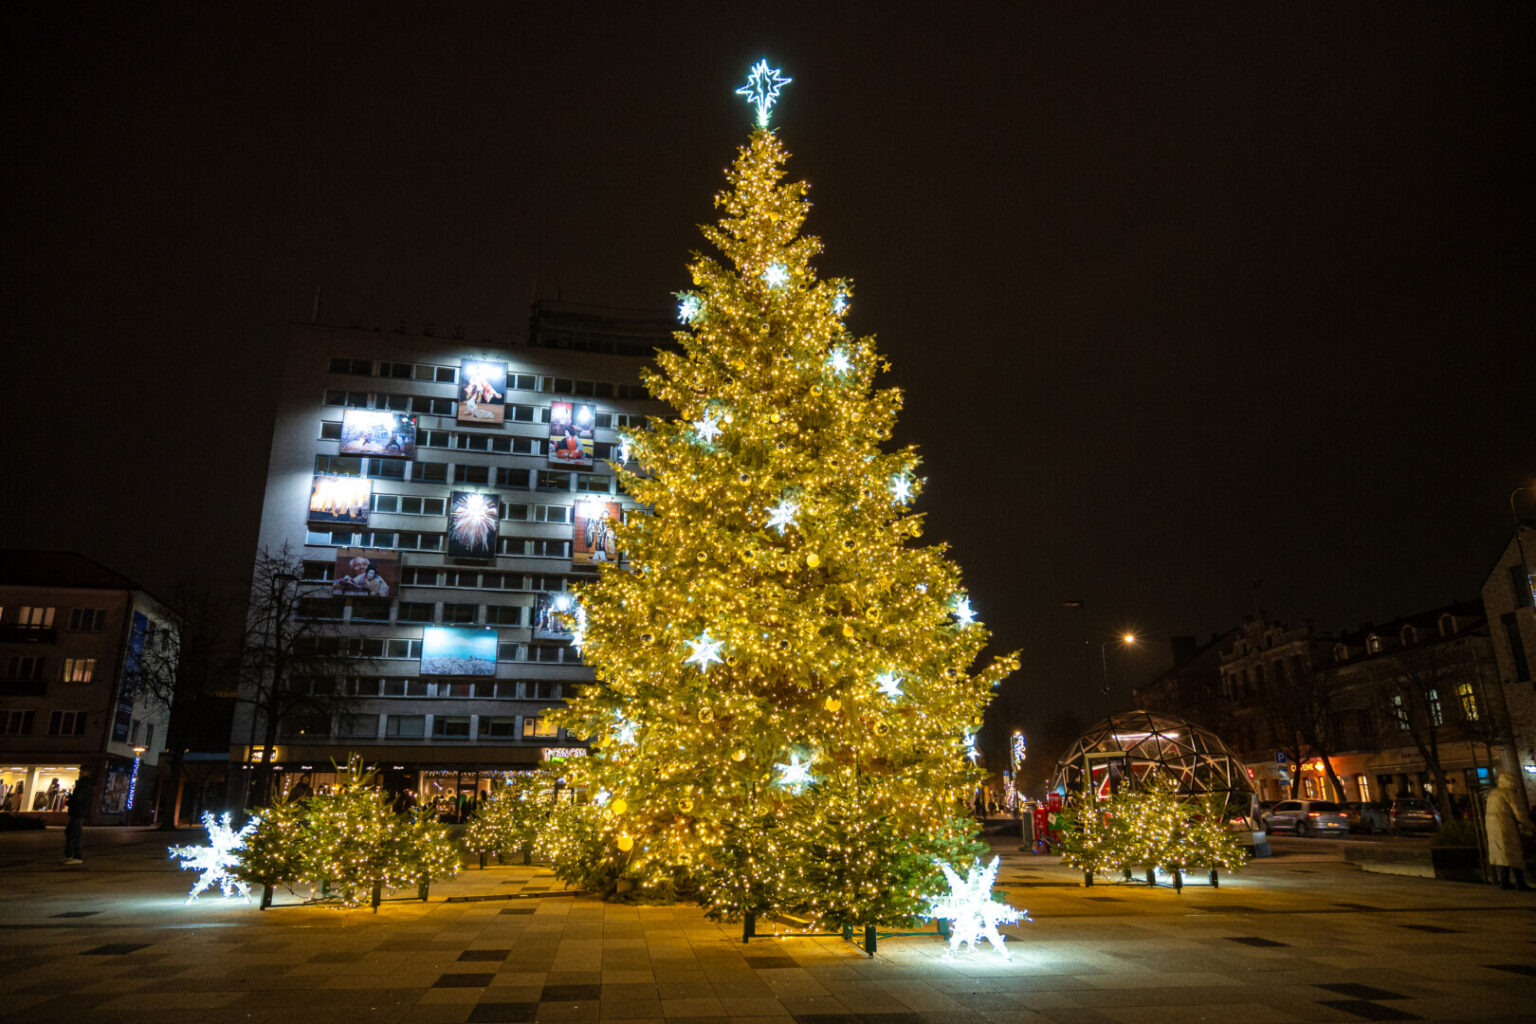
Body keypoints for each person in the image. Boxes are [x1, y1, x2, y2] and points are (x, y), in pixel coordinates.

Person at [1484, 773, 1532, 890]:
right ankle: (1520, 883)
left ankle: (1504, 881)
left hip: (1492, 828)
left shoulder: (1493, 794)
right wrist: (1531, 826)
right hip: (1506, 826)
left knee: (1500, 854)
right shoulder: (1507, 793)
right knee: (1514, 853)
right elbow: (1519, 814)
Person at [63, 772, 93, 865]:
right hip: (78, 811)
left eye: (81, 772)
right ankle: (70, 855)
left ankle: (77, 856)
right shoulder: (84, 784)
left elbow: (79, 799)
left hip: (78, 812)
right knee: (70, 832)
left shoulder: (84, 785)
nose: (80, 773)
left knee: (76, 833)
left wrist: (71, 801)